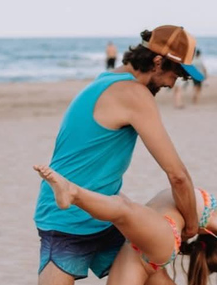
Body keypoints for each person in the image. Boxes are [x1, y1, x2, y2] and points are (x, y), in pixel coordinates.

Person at [34, 25, 205, 285]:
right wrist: (192, 227)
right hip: (67, 217)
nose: (173, 83)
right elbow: (177, 175)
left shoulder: (106, 79)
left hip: (105, 216)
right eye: (177, 74)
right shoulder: (134, 94)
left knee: (155, 276)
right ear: (158, 62)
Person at [33, 166, 217, 285]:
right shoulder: (202, 224)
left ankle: (74, 193)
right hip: (142, 254)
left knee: (123, 208)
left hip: (160, 237)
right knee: (125, 209)